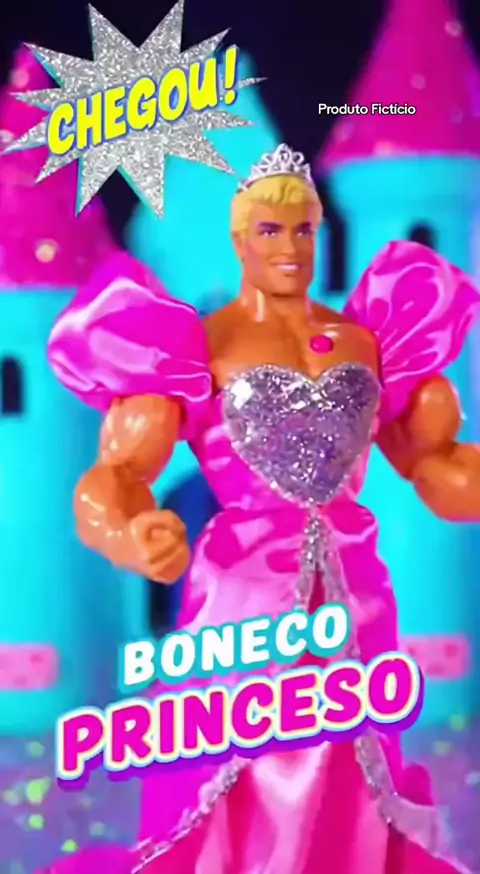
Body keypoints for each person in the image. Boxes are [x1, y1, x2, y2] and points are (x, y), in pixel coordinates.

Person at [44, 144, 480, 873]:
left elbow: (436, 464)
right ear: (240, 238)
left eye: (304, 229)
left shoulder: (370, 343)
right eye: (271, 230)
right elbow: (116, 474)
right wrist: (128, 532)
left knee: (352, 743)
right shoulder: (196, 346)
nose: (290, 247)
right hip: (241, 591)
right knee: (248, 748)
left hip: (355, 587)